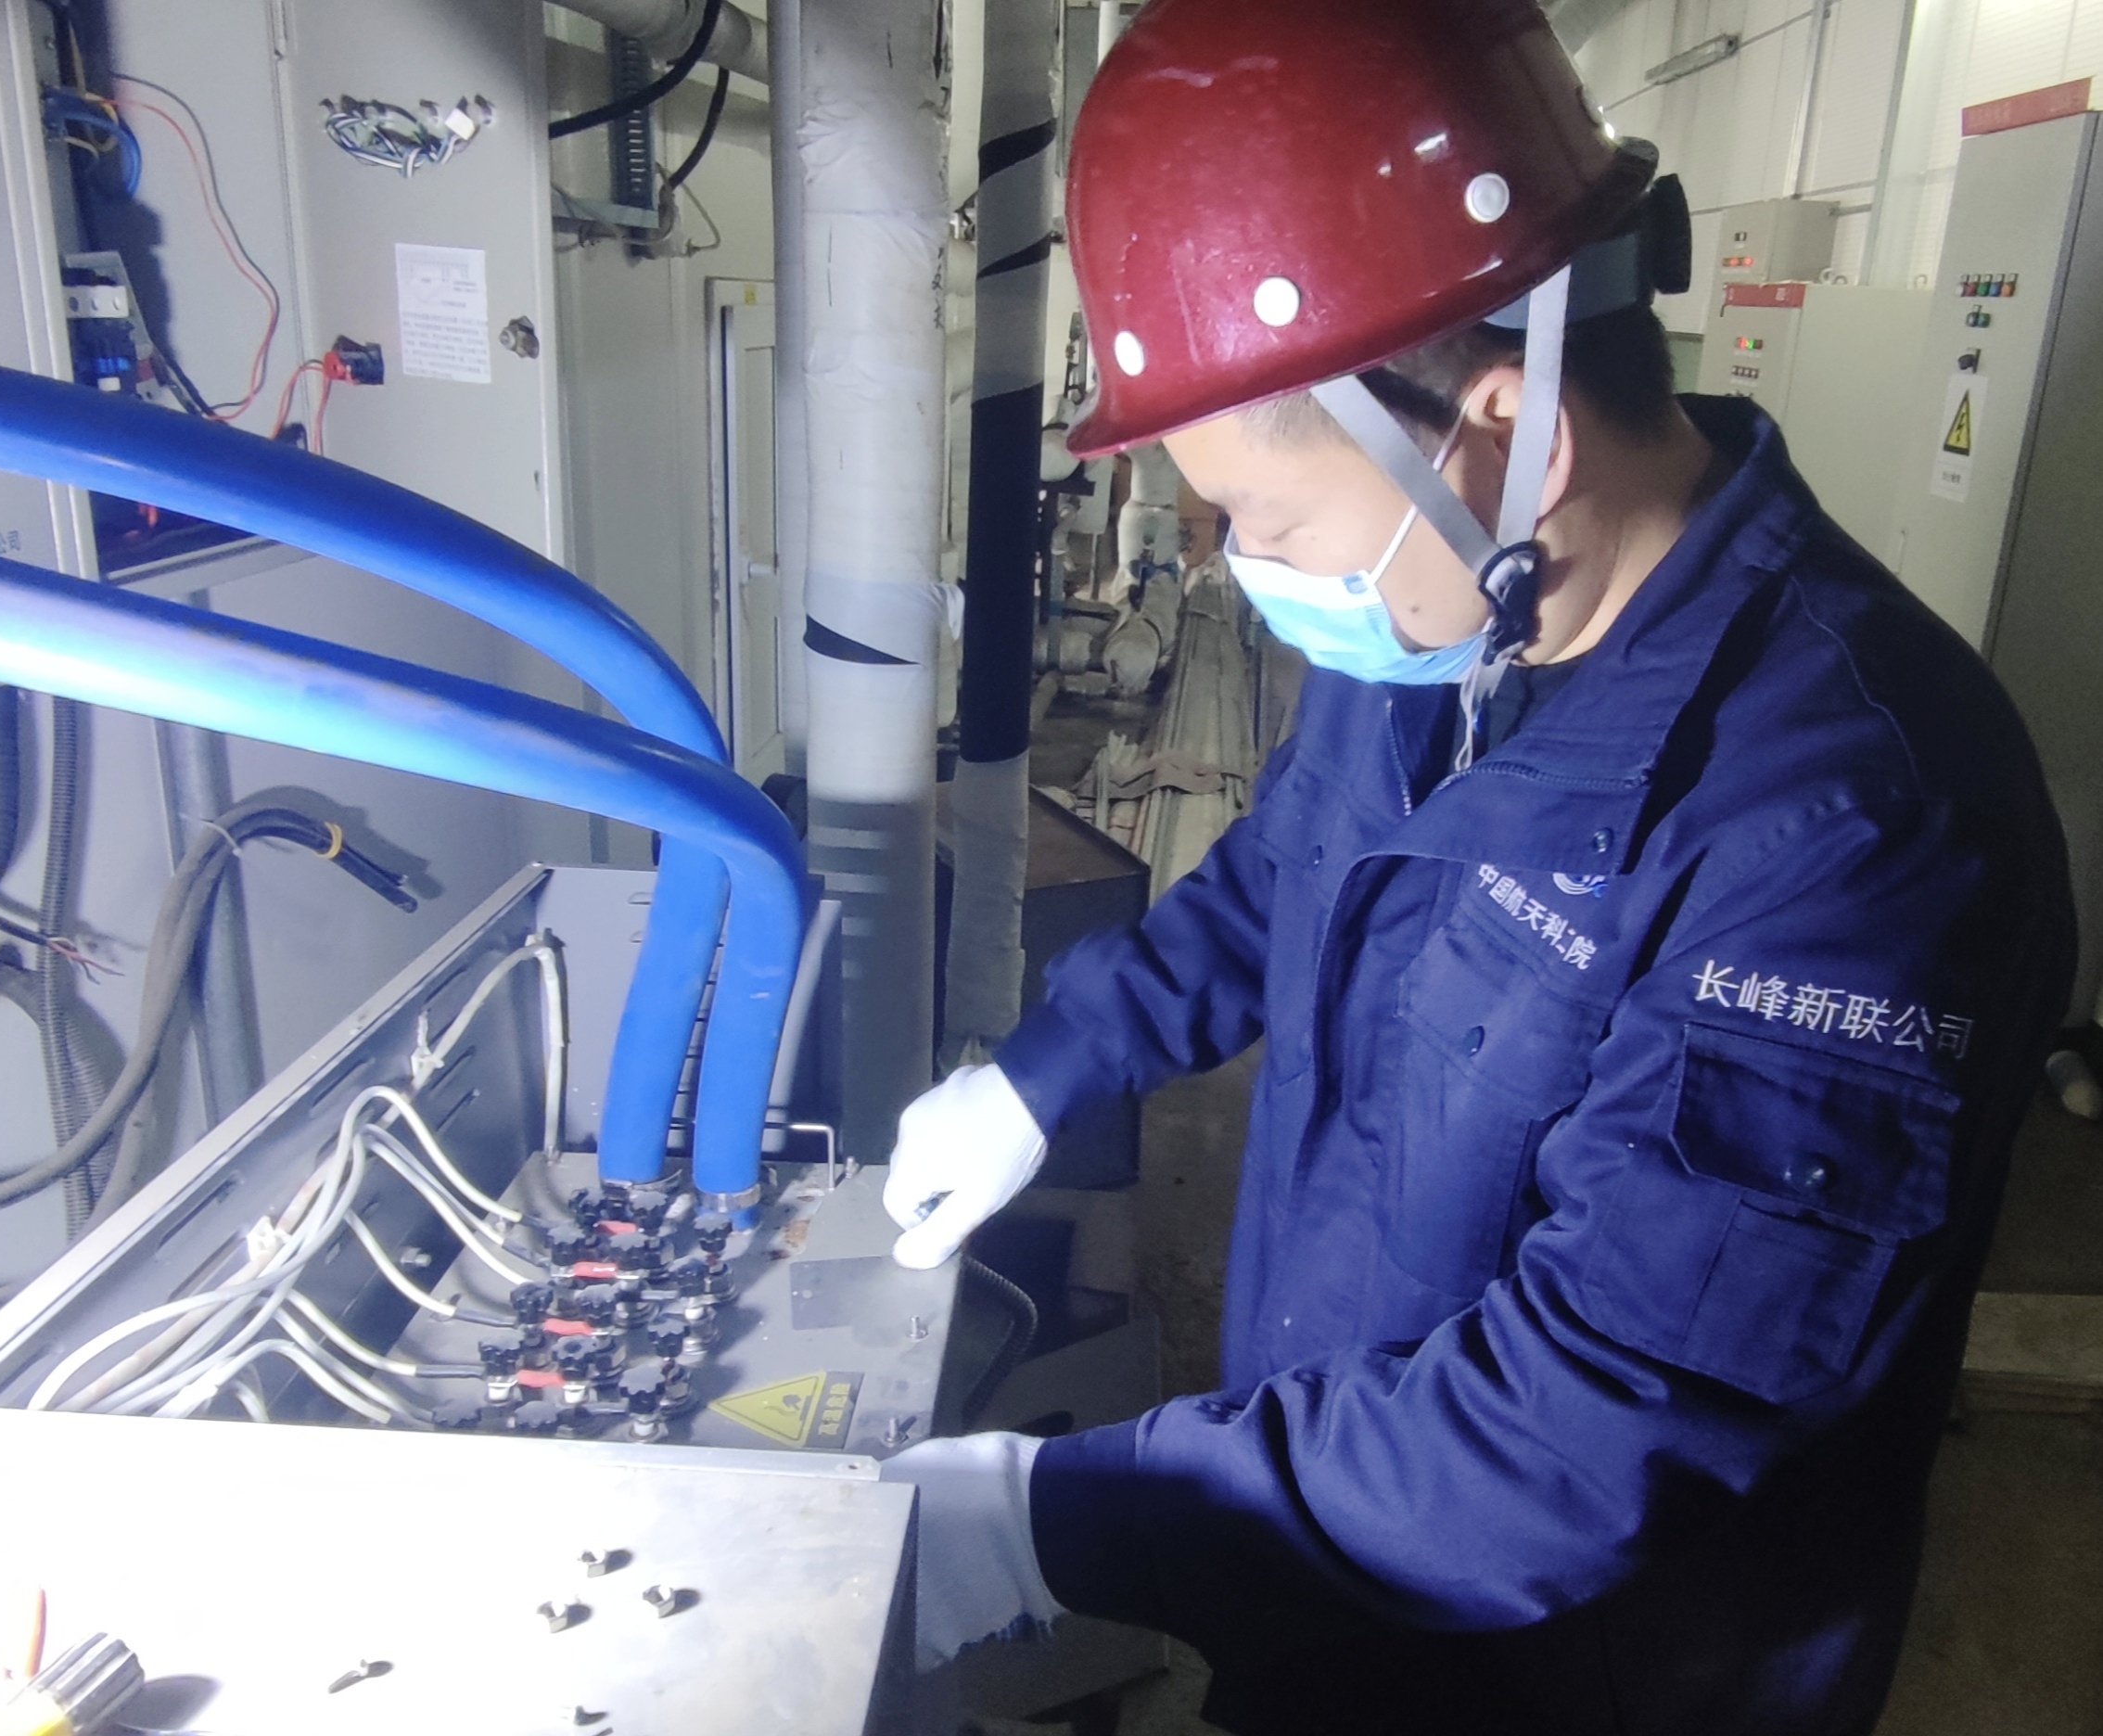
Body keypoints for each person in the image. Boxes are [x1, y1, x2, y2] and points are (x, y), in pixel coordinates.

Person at [876, 1, 2076, 1730]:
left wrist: (1064, 1520)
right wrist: (1045, 1074)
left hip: (1581, 1670)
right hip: (1334, 1561)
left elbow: (1576, 1432)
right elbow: (1291, 869)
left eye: (1266, 525)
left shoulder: (1858, 834)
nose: (1247, 575)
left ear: (1503, 439)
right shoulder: (1459, 613)